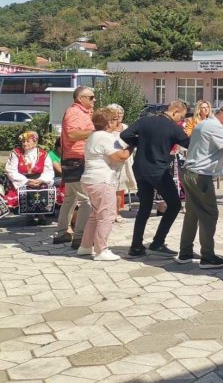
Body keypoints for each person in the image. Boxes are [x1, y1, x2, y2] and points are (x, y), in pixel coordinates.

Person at [120, 100, 191, 257]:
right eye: (181, 117)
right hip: (158, 170)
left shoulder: (145, 120)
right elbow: (189, 143)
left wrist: (139, 142)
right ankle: (158, 242)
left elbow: (125, 134)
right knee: (174, 205)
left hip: (140, 168)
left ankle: (136, 246)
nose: (181, 120)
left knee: (145, 207)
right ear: (175, 112)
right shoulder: (173, 127)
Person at [178, 105, 223, 268]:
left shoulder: (204, 123)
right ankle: (207, 256)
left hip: (189, 172)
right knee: (209, 214)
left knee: (192, 214)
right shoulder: (216, 127)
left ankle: (185, 252)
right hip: (200, 175)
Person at [78, 109, 132, 261]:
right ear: (108, 122)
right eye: (115, 119)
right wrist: (132, 146)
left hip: (90, 179)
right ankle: (101, 250)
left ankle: (85, 246)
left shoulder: (93, 136)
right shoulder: (105, 137)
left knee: (95, 214)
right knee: (107, 215)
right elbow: (120, 156)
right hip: (102, 180)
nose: (117, 122)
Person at [53, 86, 96, 247]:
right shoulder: (75, 112)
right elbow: (72, 134)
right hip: (77, 160)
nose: (94, 100)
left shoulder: (80, 112)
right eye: (91, 97)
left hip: (74, 159)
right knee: (86, 200)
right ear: (80, 98)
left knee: (70, 199)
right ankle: (80, 237)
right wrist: (94, 133)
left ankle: (62, 232)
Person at [5, 131, 55, 225]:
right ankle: (29, 216)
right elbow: (10, 170)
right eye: (23, 141)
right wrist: (26, 181)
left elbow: (49, 170)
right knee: (25, 190)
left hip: (39, 180)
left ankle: (42, 215)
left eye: (28, 141)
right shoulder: (16, 153)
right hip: (22, 180)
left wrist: (41, 180)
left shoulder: (43, 154)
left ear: (35, 142)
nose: (25, 144)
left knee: (44, 189)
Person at [106, 104, 136, 222]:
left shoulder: (126, 127)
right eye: (116, 113)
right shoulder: (107, 129)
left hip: (124, 160)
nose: (119, 116)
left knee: (120, 188)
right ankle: (108, 213)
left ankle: (116, 213)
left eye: (121, 113)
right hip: (111, 160)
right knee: (110, 188)